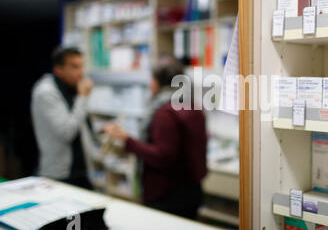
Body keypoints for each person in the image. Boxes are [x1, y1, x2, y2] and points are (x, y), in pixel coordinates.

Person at [103, 57, 207, 220]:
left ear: (160, 83)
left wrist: (127, 141)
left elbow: (163, 156)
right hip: (191, 189)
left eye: (152, 79)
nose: (150, 85)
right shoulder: (192, 105)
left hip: (167, 194)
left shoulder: (165, 113)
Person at [31, 47, 94, 189]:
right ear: (58, 70)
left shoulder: (72, 88)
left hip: (81, 172)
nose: (81, 73)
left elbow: (79, 124)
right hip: (60, 175)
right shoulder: (46, 92)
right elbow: (67, 132)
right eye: (74, 67)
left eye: (81, 66)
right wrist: (83, 97)